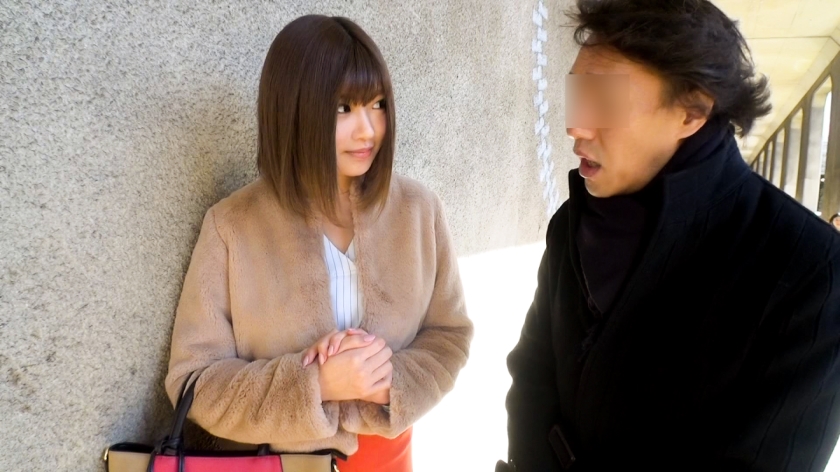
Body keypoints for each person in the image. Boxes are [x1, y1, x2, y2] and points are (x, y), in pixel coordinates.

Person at [502, 1, 840, 470]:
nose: (574, 125)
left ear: (692, 111)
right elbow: (533, 374)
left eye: (604, 101)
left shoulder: (812, 271)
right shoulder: (571, 223)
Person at [164, 15, 473, 472]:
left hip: (388, 460)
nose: (367, 130)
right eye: (343, 108)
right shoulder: (232, 226)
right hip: (277, 463)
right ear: (294, 111)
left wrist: (390, 381)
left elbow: (450, 334)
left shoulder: (419, 211)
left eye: (377, 104)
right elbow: (193, 381)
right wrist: (316, 384)